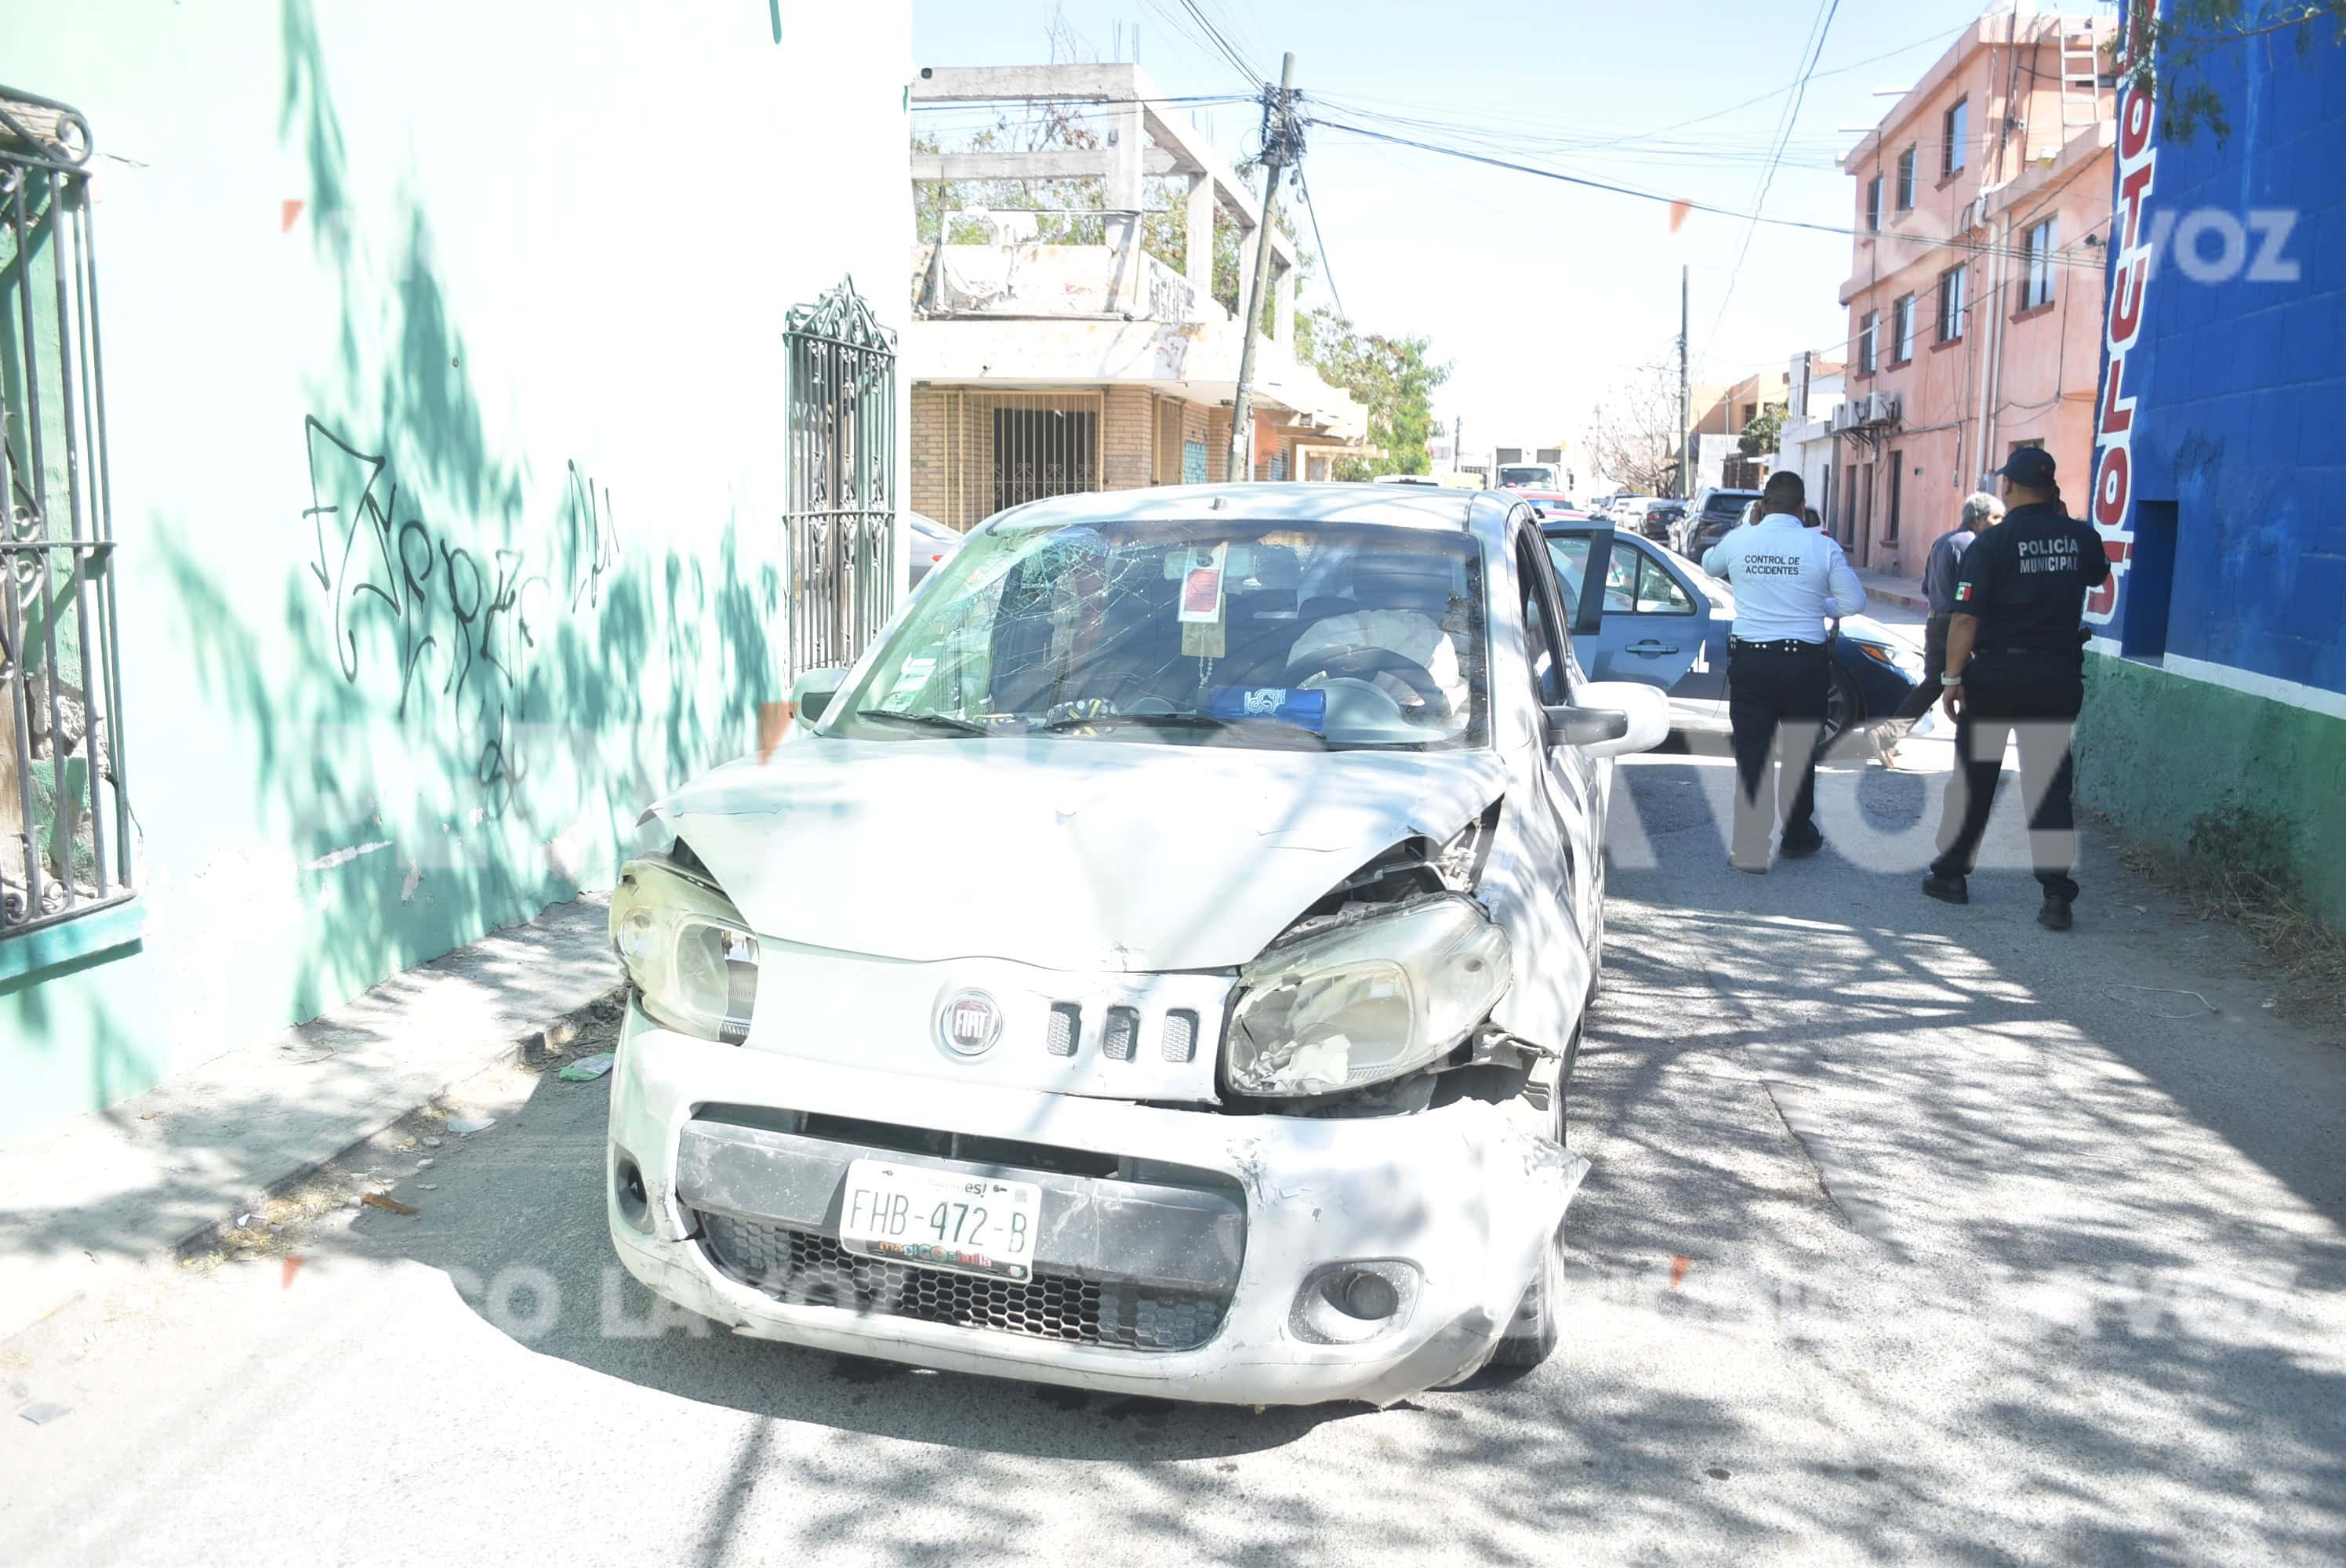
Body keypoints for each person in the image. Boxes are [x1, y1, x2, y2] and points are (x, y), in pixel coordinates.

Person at [1922, 448, 2110, 929]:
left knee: (1976, 777)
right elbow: (2097, 574)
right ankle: (2055, 895)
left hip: (1996, 678)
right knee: (2048, 784)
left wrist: (1950, 679)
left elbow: (1965, 617)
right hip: (2056, 675)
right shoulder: (2081, 537)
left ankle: (1951, 875)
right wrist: (2065, 524)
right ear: (2051, 488)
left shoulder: (1992, 543)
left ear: (2008, 486)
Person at [1702, 470, 1866, 872]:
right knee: (1799, 750)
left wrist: (1749, 527)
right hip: (1804, 665)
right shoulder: (1821, 546)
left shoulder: (1742, 537)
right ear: (1802, 507)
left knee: (1753, 752)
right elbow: (1854, 601)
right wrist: (1819, 607)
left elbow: (1709, 564)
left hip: (1752, 663)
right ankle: (1796, 835)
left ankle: (1752, 847)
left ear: (1762, 505)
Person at [1888, 492, 2006, 737]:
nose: (2001, 524)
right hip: (1958, 626)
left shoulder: (1943, 541)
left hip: (1935, 620)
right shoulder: (1974, 545)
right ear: (1980, 518)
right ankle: (1969, 752)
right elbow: (1972, 597)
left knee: (1933, 683)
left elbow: (1926, 587)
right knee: (1970, 686)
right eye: (1996, 518)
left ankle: (1888, 732)